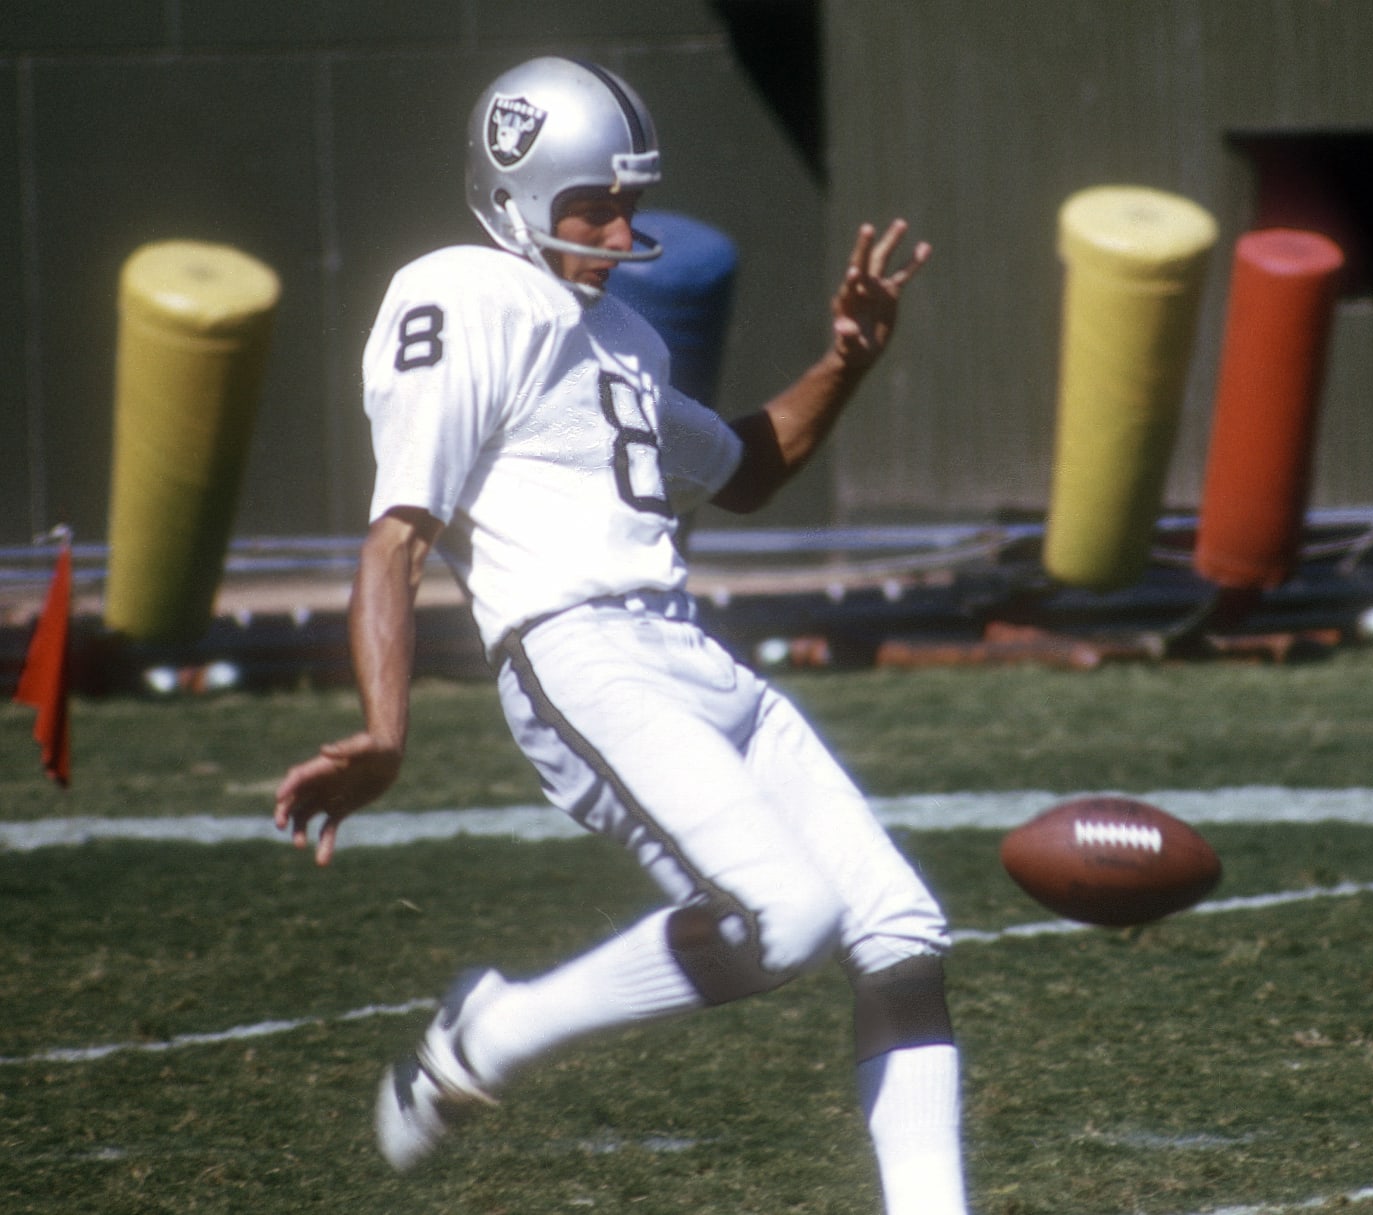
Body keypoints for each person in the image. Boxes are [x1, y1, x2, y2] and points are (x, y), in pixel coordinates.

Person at [273, 56, 964, 1214]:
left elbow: (743, 470)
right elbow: (396, 538)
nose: (618, 225)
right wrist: (384, 732)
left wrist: (847, 358)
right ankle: (500, 1031)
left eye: (630, 200)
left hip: (689, 654)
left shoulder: (623, 335)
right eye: (592, 201)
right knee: (784, 916)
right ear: (515, 193)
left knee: (902, 931)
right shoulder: (463, 292)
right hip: (574, 652)